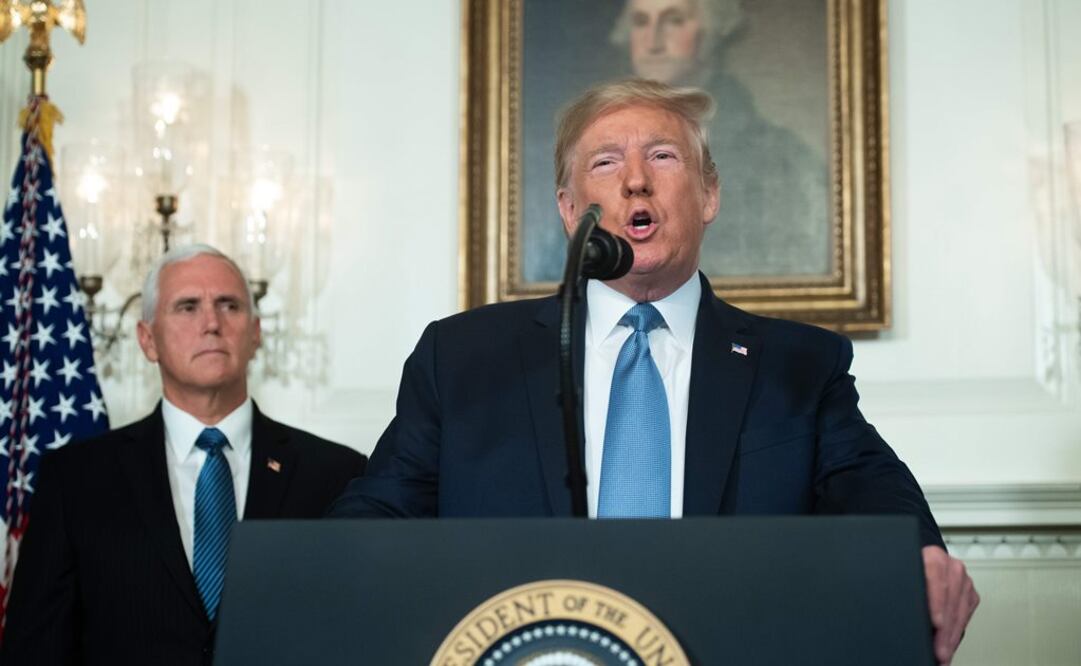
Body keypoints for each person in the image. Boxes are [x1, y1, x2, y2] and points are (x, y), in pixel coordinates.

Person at [329, 79, 978, 664]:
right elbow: (384, 508)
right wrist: (310, 576)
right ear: (566, 206)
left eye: (663, 157)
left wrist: (918, 556)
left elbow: (869, 484)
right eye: (605, 162)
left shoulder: (797, 365)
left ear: (709, 195)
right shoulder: (464, 357)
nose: (635, 180)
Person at [1, 244, 367, 666]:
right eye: (187, 307)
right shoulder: (76, 479)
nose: (211, 323)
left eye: (229, 305)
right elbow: (34, 653)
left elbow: (357, 636)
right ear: (147, 339)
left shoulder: (337, 474)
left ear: (256, 332)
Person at [610, 0, 830, 277]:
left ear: (712, 32)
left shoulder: (781, 156)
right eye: (641, 22)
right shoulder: (600, 155)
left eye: (674, 20)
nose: (653, 41)